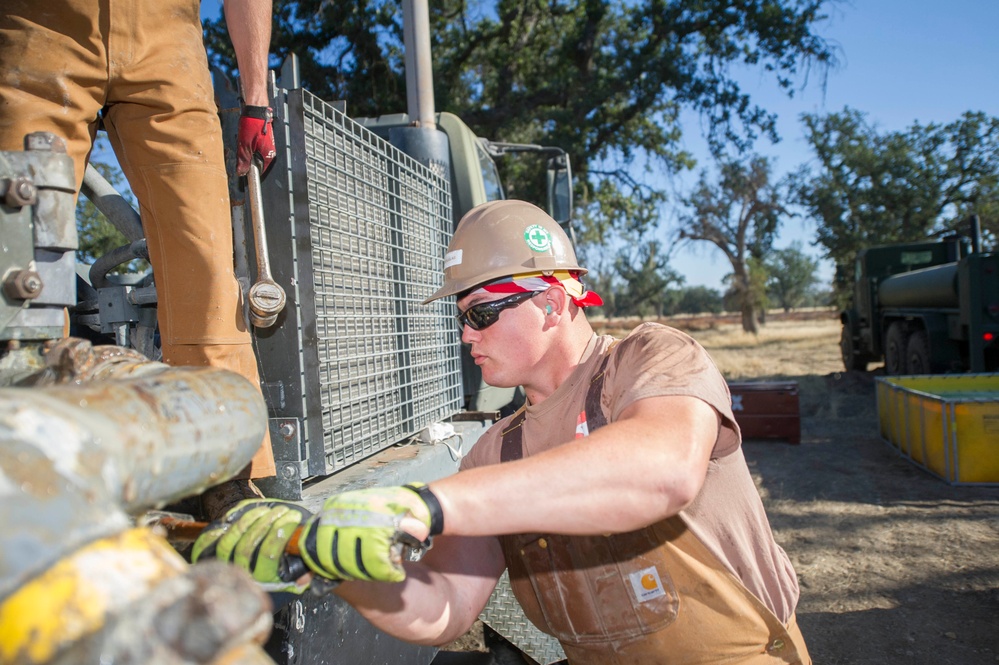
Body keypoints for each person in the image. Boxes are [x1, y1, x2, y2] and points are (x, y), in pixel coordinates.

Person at [194, 200, 811, 664]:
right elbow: (441, 610)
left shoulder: (650, 362)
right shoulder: (494, 453)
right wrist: (330, 560)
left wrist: (425, 504)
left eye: (482, 314)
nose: (467, 337)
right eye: (462, 319)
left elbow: (662, 469)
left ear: (552, 300)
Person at [0, 0, 278, 512]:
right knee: (21, 263)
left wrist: (255, 95)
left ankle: (227, 473)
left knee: (206, 265)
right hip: (37, 24)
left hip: (165, 33)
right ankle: (33, 467)